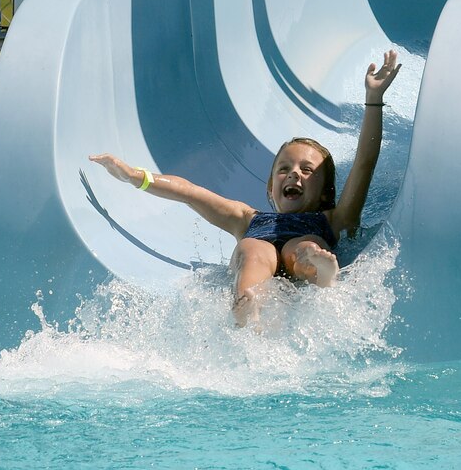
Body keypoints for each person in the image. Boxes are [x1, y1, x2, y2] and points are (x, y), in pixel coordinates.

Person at [90, 50, 401, 326]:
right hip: (259, 246)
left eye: (307, 170)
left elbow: (363, 164)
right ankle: (247, 302)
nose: (294, 175)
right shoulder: (246, 218)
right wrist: (135, 176)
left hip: (310, 243)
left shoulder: (334, 218)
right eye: (284, 169)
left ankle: (319, 271)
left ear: (326, 192)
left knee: (303, 246)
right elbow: (189, 191)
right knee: (252, 250)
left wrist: (373, 101)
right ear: (270, 186)